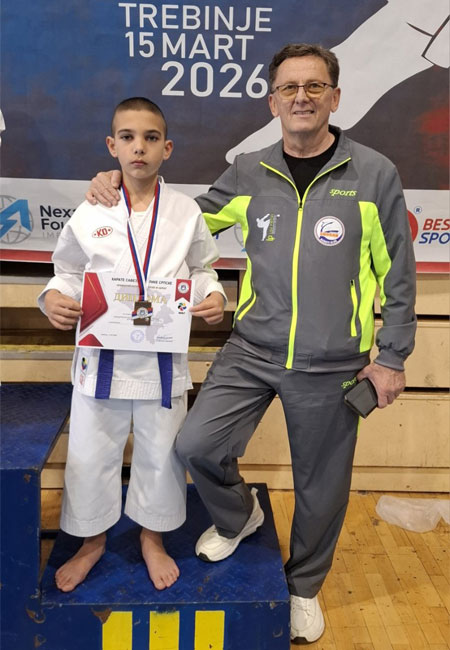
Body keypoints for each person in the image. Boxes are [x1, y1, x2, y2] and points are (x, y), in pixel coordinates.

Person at [86, 44, 416, 644]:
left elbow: (397, 271)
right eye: (289, 87)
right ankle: (240, 516)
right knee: (196, 444)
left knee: (320, 490)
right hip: (252, 349)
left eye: (314, 87)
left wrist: (391, 357)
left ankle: (304, 588)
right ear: (272, 101)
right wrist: (124, 181)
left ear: (335, 97)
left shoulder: (373, 174)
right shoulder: (248, 170)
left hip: (333, 363)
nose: (301, 97)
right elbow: (178, 225)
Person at [38, 97, 225, 594]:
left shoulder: (185, 211)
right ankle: (92, 541)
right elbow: (67, 270)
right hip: (100, 359)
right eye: (127, 137)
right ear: (112, 145)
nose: (138, 147)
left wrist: (213, 296)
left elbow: (203, 269)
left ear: (167, 148)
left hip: (161, 360)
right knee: (89, 454)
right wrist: (53, 297)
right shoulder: (92, 208)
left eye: (149, 138)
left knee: (161, 456)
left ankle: (152, 537)